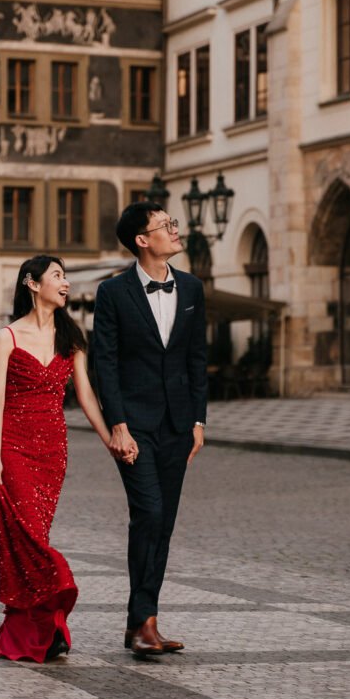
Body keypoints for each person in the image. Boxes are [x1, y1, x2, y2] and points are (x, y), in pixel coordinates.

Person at [0, 254, 120, 662]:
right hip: (12, 445)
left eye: (66, 277)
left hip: (52, 449)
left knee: (35, 537)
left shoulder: (72, 338)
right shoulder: (6, 337)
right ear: (31, 283)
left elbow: (86, 396)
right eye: (57, 276)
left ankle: (39, 626)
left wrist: (110, 436)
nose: (65, 283)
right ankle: (51, 620)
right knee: (25, 536)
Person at [93, 201, 207, 658]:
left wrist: (198, 421)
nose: (175, 231)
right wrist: (117, 426)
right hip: (135, 427)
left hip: (179, 426)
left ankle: (145, 622)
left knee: (164, 524)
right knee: (150, 514)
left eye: (172, 224)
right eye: (165, 226)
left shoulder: (193, 288)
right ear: (142, 240)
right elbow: (105, 363)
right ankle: (141, 621)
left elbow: (197, 359)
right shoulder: (113, 293)